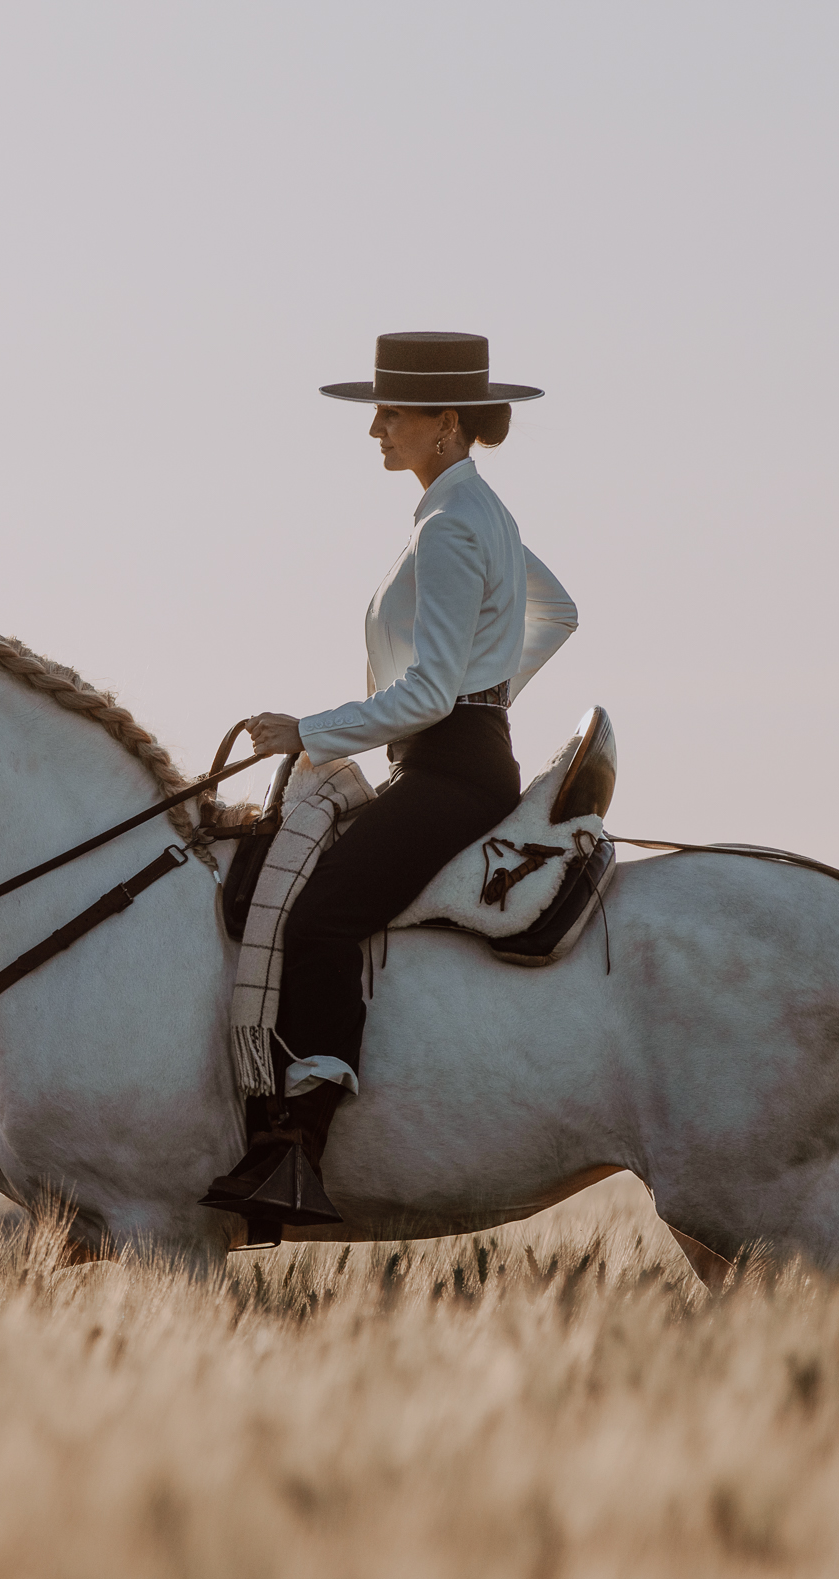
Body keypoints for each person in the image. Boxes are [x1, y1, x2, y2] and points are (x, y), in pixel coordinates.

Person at [201, 330, 578, 1228]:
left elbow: (428, 689)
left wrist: (311, 731)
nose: (375, 427)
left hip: (448, 771)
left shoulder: (449, 527)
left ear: (445, 423)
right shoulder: (473, 511)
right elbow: (557, 614)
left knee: (322, 912)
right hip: (463, 756)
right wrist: (492, 691)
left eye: (392, 412)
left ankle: (298, 1147)